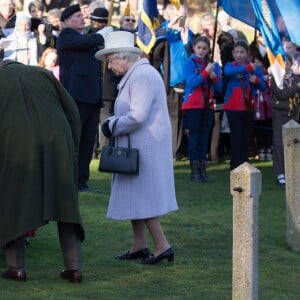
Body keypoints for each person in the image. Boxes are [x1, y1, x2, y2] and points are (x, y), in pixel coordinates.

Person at [96, 31, 178, 264]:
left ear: (123, 56)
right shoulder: (137, 74)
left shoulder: (142, 75)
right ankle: (139, 245)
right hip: (139, 146)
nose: (109, 66)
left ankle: (162, 246)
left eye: (110, 60)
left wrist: (111, 125)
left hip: (145, 147)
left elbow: (138, 116)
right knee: (135, 196)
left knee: (144, 197)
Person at [0, 59, 84, 283]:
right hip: (58, 142)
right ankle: (74, 269)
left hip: (17, 146)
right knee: (66, 207)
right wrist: (72, 149)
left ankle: (16, 267)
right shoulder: (42, 74)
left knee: (14, 204)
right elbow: (73, 111)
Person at [56, 4, 112, 192]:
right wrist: (101, 34)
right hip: (77, 97)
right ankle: (68, 179)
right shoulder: (66, 37)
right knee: (75, 141)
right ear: (66, 21)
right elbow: (88, 41)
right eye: (77, 16)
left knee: (87, 142)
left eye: (82, 16)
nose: (82, 18)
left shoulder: (84, 38)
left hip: (92, 96)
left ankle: (81, 180)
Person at [151, 4, 193, 160]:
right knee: (171, 118)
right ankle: (171, 151)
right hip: (169, 83)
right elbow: (154, 39)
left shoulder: (188, 34)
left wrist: (186, 40)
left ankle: (177, 149)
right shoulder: (164, 33)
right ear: (169, 15)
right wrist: (170, 24)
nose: (180, 19)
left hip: (186, 83)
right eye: (178, 16)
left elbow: (193, 56)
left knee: (181, 119)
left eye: (184, 16)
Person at [182, 35, 222, 182]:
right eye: (199, 48)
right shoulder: (189, 63)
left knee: (204, 138)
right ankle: (195, 172)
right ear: (194, 48)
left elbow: (219, 88)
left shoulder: (213, 65)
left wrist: (214, 76)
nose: (201, 51)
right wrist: (205, 73)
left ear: (208, 50)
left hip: (208, 105)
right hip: (193, 105)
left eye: (204, 48)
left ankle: (203, 170)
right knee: (194, 137)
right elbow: (192, 83)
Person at [223, 40, 266, 170]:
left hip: (248, 107)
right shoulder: (230, 66)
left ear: (247, 53)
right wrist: (247, 68)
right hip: (233, 107)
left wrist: (257, 80)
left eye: (242, 52)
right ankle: (234, 167)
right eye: (236, 52)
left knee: (246, 138)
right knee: (236, 138)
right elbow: (228, 73)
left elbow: (263, 87)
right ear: (232, 53)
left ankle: (244, 165)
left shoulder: (254, 68)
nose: (239, 55)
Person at [271, 53, 300, 184]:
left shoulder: (296, 78)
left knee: (294, 141)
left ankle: (292, 170)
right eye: (281, 65)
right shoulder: (276, 79)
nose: (284, 67)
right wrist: (297, 88)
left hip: (294, 113)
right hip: (280, 113)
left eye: (287, 63)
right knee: (279, 142)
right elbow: (282, 94)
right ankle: (280, 172)